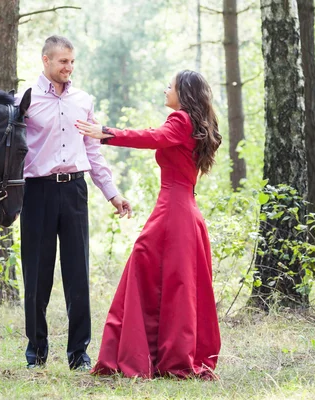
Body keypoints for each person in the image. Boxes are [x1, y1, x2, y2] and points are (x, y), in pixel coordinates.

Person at [75, 70, 222, 379]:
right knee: (172, 282)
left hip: (174, 213)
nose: (165, 90)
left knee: (152, 274)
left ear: (183, 93)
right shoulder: (193, 122)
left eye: (169, 86)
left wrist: (108, 132)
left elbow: (152, 137)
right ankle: (161, 354)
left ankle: (157, 356)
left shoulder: (181, 120)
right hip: (182, 211)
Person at [17, 35, 132, 371]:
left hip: (75, 192)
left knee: (78, 273)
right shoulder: (26, 99)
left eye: (72, 62)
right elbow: (12, 146)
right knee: (37, 275)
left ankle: (78, 354)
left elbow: (93, 151)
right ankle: (36, 352)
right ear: (46, 60)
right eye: (62, 61)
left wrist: (112, 193)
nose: (68, 68)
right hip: (37, 191)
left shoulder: (83, 100)